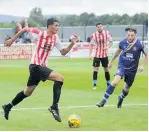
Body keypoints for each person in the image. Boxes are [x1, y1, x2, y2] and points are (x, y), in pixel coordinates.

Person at [2, 18, 78, 122]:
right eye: (56, 25)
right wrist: (11, 40)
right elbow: (25, 29)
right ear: (49, 26)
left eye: (58, 25)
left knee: (27, 92)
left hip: (40, 67)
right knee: (60, 78)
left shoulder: (55, 38)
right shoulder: (40, 33)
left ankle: (8, 106)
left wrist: (72, 43)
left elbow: (63, 52)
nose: (57, 27)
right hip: (35, 65)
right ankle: (54, 107)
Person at [96, 28, 148, 108]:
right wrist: (111, 61)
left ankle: (121, 97)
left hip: (132, 69)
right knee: (115, 82)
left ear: (135, 35)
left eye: (132, 35)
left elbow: (147, 55)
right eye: (128, 35)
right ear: (126, 35)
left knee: (126, 88)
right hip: (122, 65)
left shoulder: (140, 44)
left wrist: (142, 66)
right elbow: (117, 52)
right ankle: (103, 100)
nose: (130, 37)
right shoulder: (122, 42)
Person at [89, 22, 113, 90]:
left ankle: (108, 84)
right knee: (95, 69)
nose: (100, 28)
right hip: (97, 55)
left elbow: (111, 42)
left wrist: (107, 47)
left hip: (105, 55)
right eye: (98, 27)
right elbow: (91, 45)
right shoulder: (94, 35)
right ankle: (94, 85)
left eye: (101, 26)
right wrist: (90, 54)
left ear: (103, 27)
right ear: (96, 28)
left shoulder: (107, 33)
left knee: (106, 69)